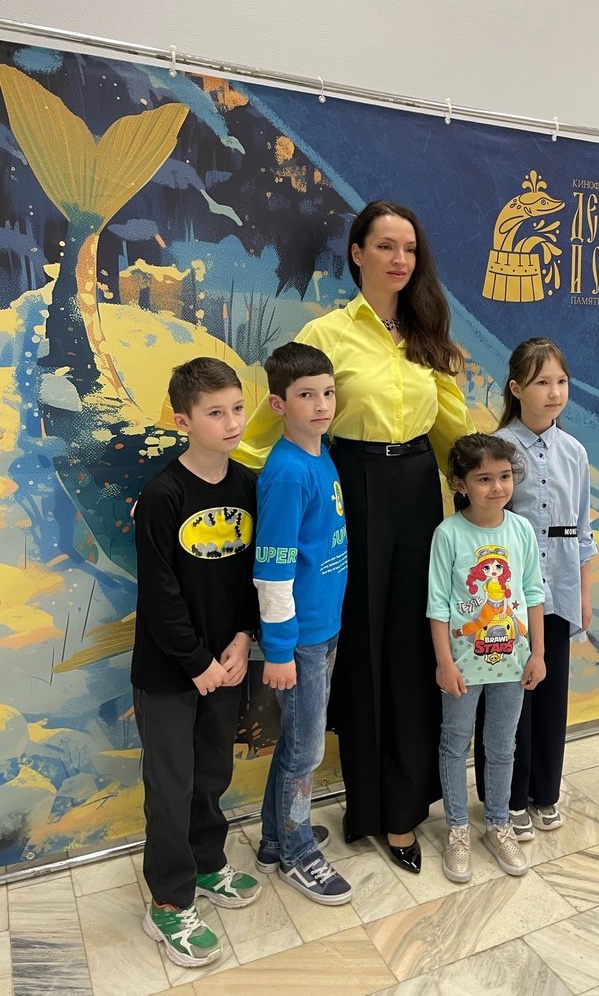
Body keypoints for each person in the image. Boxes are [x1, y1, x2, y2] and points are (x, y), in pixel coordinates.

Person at [236, 200, 472, 872]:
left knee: (412, 647)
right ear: (358, 253)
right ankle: (370, 808)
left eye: (410, 248)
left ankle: (406, 808)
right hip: (355, 493)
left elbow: (451, 427)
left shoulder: (428, 333)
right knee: (364, 653)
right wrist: (202, 486)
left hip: (418, 493)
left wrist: (489, 492)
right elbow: (268, 428)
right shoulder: (328, 334)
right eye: (387, 246)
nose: (401, 259)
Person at [133, 357, 261, 970]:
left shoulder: (247, 486)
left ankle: (207, 862)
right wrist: (195, 662)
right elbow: (159, 594)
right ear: (183, 421)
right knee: (171, 786)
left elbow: (252, 575)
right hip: (170, 675)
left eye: (237, 408)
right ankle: (168, 900)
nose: (232, 422)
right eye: (215, 413)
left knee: (212, 772)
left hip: (226, 665)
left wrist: (241, 639)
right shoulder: (164, 495)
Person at [475, 337, 597, 838]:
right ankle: (506, 798)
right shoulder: (498, 449)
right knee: (508, 702)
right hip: (507, 600)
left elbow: (583, 531)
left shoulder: (575, 452)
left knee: (549, 698)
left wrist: (583, 594)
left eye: (561, 381)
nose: (554, 392)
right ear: (515, 387)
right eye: (542, 382)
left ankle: (545, 792)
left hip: (560, 591)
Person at [252, 342, 352, 904]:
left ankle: (275, 839)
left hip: (323, 627)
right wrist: (280, 649)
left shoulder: (319, 454)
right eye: (306, 395)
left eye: (328, 393)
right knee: (306, 752)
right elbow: (272, 569)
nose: (321, 405)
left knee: (298, 743)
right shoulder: (288, 472)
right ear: (278, 404)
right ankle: (297, 853)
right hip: (301, 640)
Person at [428, 432, 545, 883]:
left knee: (502, 745)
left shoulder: (521, 530)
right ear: (460, 484)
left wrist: (538, 652)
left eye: (504, 476)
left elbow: (533, 594)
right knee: (454, 743)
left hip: (513, 664)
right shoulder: (448, 534)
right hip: (462, 666)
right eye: (484, 479)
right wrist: (445, 662)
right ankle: (458, 829)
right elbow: (438, 606)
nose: (497, 487)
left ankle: (498, 824)